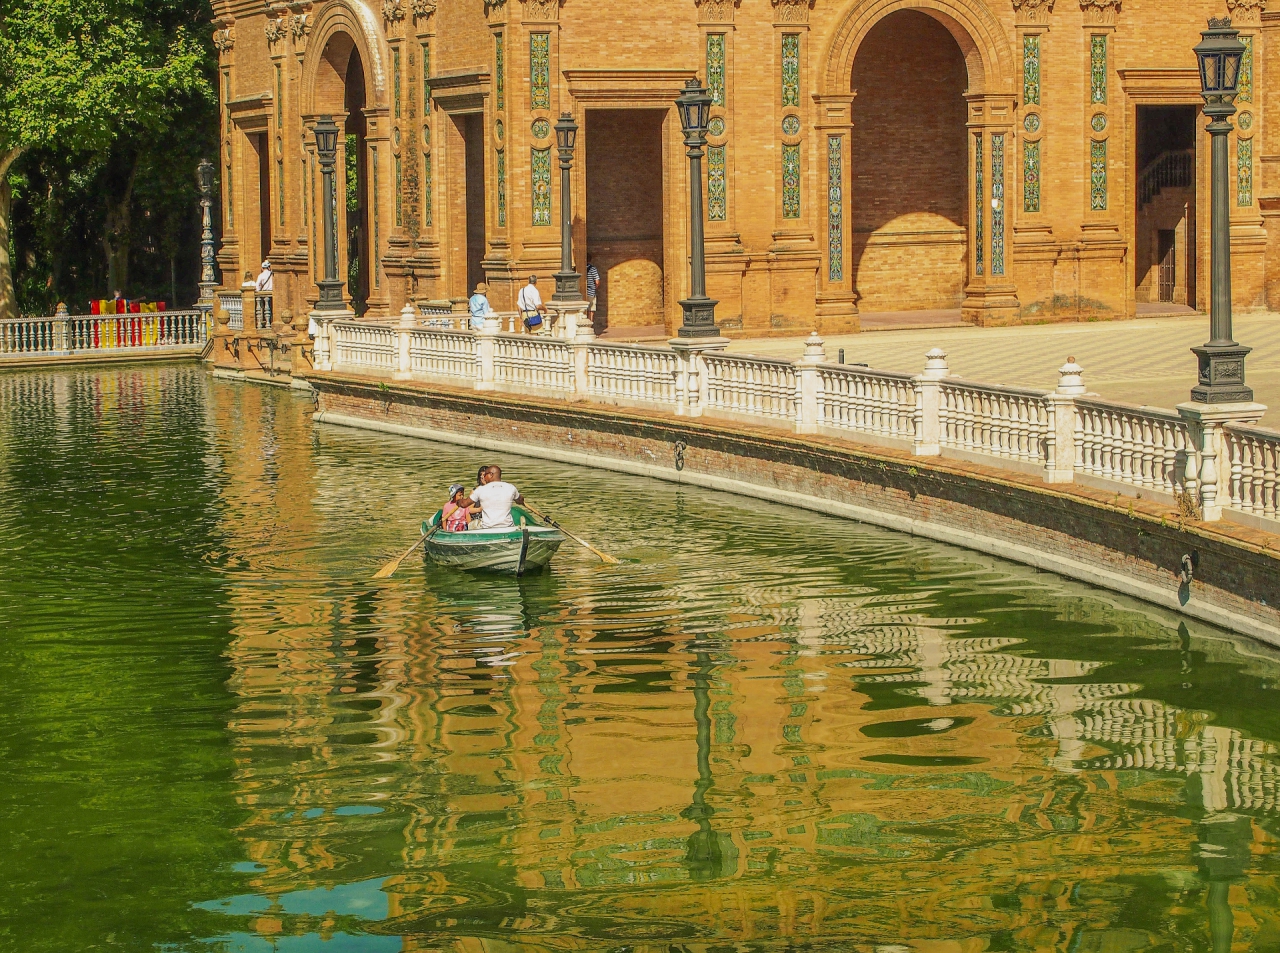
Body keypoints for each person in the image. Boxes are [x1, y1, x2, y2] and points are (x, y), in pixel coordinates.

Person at [469, 465, 524, 530]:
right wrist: (480, 509)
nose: (483, 477)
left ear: (491, 475)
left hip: (490, 524)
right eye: (481, 476)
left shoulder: (501, 489)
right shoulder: (477, 490)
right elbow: (468, 509)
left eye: (485, 475)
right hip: (483, 519)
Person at [585, 255, 602, 329]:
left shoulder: (578, 269)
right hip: (591, 292)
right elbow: (597, 281)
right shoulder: (593, 269)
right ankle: (590, 327)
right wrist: (595, 288)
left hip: (582, 293)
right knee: (591, 311)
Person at [255, 260, 274, 325]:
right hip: (272, 292)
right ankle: (271, 321)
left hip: (264, 293)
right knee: (271, 308)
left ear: (262, 268)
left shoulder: (261, 275)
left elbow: (257, 285)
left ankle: (267, 322)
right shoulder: (272, 274)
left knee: (265, 308)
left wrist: (258, 291)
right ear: (269, 267)